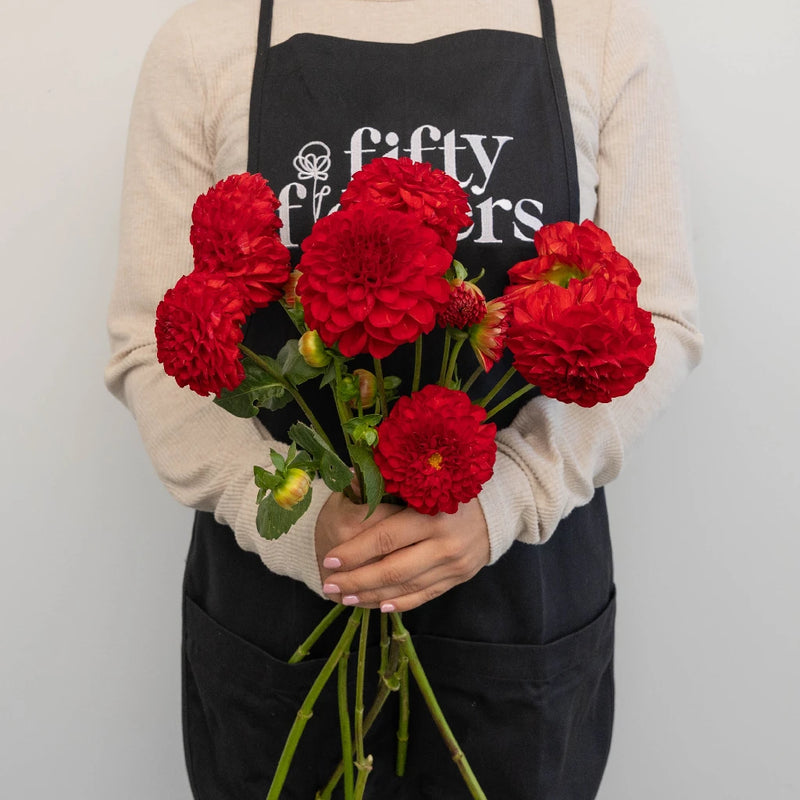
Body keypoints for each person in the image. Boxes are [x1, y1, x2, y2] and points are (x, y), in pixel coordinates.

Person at [105, 0, 702, 797]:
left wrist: (506, 500)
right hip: (282, 612)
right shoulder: (207, 39)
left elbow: (659, 318)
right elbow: (150, 339)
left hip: (519, 609)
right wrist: (304, 526)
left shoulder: (601, 32)